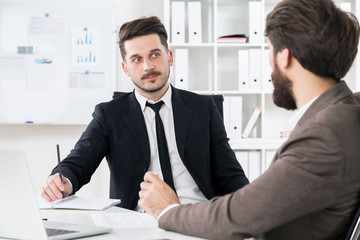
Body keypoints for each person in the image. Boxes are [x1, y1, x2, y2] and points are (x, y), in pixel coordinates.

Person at [138, 0, 360, 239]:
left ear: (284, 57)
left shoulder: (325, 135)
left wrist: (167, 210)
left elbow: (236, 217)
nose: (269, 63)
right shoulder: (347, 111)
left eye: (269, 49)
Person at [41, 16, 249, 210]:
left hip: (196, 216)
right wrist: (62, 181)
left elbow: (231, 176)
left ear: (169, 57)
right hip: (138, 221)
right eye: (137, 59)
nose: (148, 66)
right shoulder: (109, 115)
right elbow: (78, 163)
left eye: (155, 55)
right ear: (125, 68)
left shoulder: (203, 108)